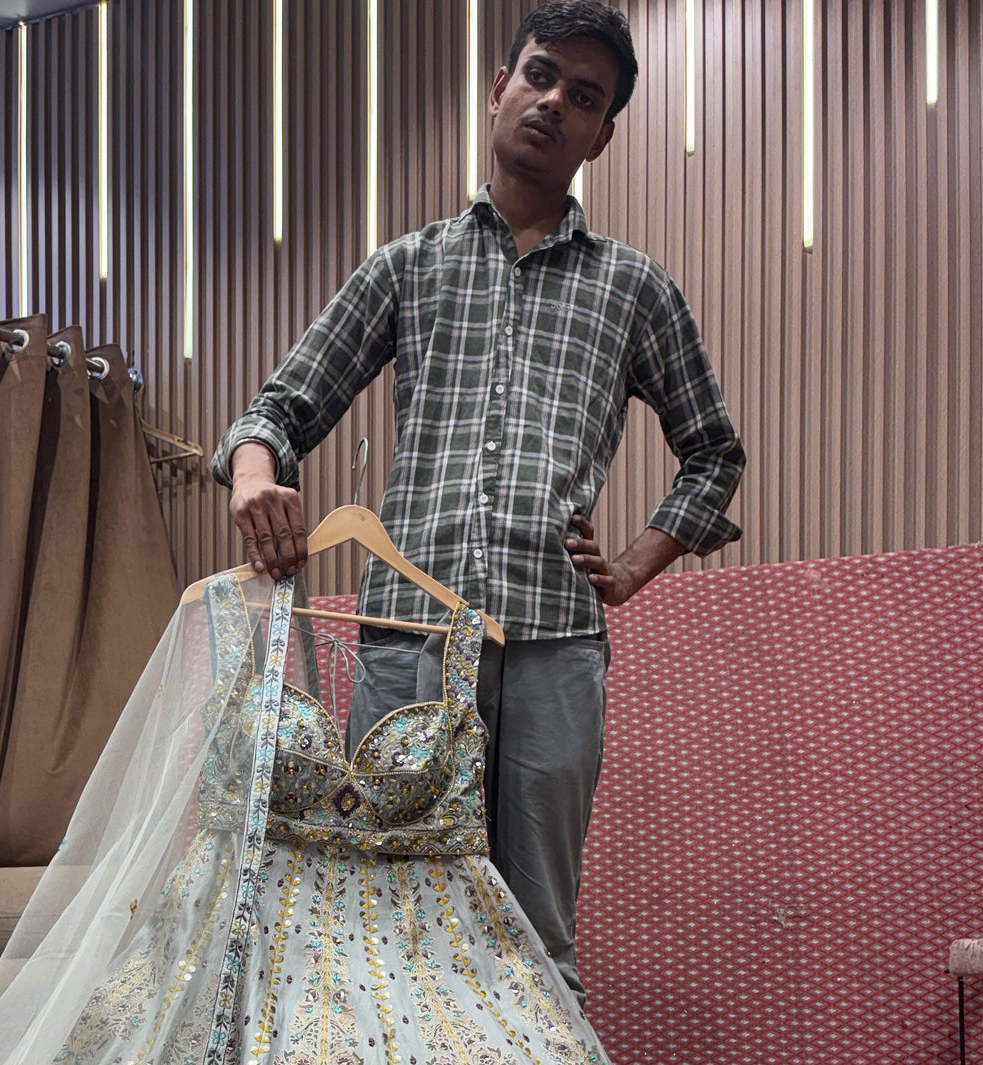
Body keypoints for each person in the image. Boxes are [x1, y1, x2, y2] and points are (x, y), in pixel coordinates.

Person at [213, 1, 745, 1003]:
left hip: (554, 642)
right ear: (497, 87)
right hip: (406, 636)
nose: (552, 102)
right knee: (391, 914)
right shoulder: (408, 266)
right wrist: (252, 472)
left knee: (536, 928)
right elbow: (279, 406)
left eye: (581, 96)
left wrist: (632, 563)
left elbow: (713, 455)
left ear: (602, 132)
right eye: (538, 75)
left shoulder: (635, 289)